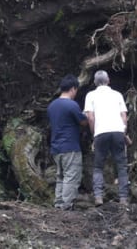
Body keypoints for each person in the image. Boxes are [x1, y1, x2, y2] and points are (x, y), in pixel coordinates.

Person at [83, 70, 129, 206]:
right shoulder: (117, 95)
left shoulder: (90, 95)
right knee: (121, 166)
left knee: (98, 167)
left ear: (95, 83)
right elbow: (124, 117)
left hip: (100, 133)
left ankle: (98, 197)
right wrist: (123, 131)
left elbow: (90, 117)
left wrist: (94, 133)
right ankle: (123, 198)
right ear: (108, 81)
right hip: (118, 131)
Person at [46, 74, 88, 210]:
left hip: (56, 147)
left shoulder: (52, 106)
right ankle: (66, 206)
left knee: (60, 176)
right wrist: (88, 114)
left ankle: (58, 204)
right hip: (70, 146)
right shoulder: (71, 105)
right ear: (73, 89)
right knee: (71, 176)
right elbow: (83, 122)